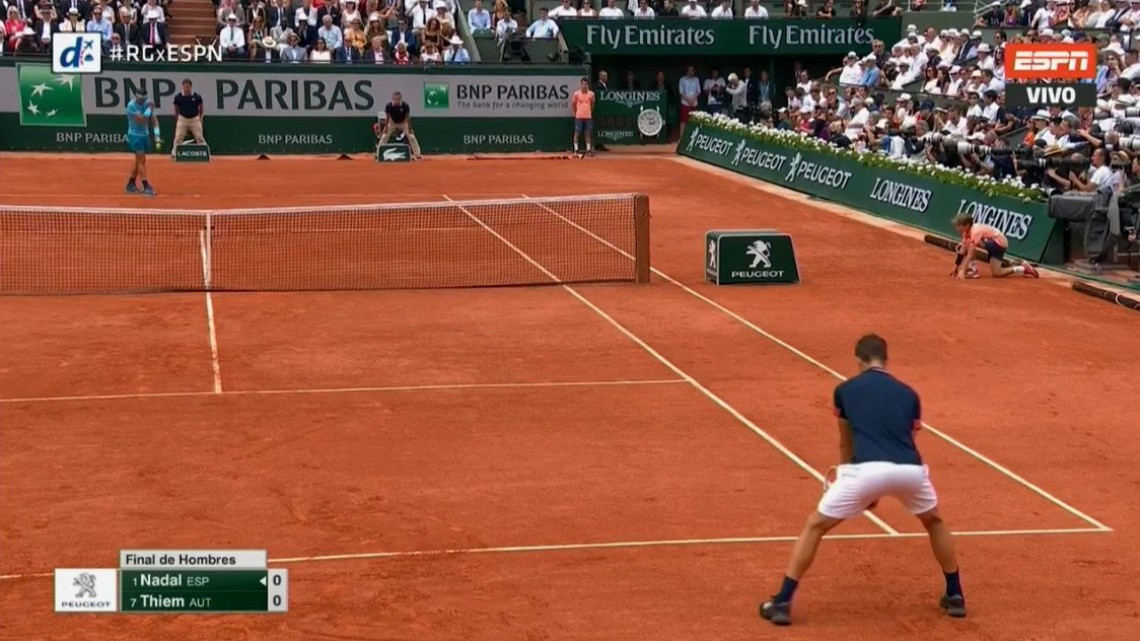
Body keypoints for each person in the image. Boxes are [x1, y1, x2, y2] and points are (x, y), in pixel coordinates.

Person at [760, 334, 967, 627]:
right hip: (909, 470)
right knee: (934, 521)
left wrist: (850, 481)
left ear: (859, 361)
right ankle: (956, 595)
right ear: (886, 359)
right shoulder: (909, 394)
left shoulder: (845, 390)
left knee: (816, 525)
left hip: (864, 470)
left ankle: (781, 602)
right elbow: (908, 439)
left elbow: (847, 444)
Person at [952, 212, 1039, 279]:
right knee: (997, 273)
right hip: (994, 243)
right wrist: (956, 266)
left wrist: (963, 270)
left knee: (970, 244)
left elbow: (970, 252)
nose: (957, 228)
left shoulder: (975, 231)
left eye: (959, 226)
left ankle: (973, 270)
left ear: (967, 225)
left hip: (998, 243)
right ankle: (1022, 267)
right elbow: (963, 249)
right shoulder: (966, 232)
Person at [125, 87, 160, 197]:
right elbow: (141, 120)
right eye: (140, 98)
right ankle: (146, 186)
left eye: (143, 99)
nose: (142, 101)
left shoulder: (147, 103)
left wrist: (157, 135)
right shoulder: (131, 106)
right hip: (134, 135)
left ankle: (130, 184)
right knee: (141, 160)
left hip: (145, 135)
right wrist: (149, 109)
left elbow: (154, 121)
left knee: (139, 160)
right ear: (136, 96)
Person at [376, 91, 422, 160]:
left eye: (398, 99)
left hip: (403, 122)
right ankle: (378, 154)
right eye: (395, 99)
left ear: (400, 99)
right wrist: (385, 128)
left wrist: (410, 128)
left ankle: (417, 154)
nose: (397, 101)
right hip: (392, 122)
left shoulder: (405, 105)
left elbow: (408, 117)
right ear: (392, 99)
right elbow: (387, 117)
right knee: (384, 136)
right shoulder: (389, 106)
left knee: (411, 136)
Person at [171, 78, 205, 156]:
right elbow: (176, 108)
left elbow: (201, 107)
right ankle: (174, 153)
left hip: (194, 119)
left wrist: (200, 118)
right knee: (178, 138)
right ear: (182, 87)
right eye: (185, 87)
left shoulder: (197, 96)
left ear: (191, 87)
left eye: (188, 87)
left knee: (199, 137)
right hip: (182, 119)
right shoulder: (178, 97)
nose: (186, 88)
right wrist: (178, 118)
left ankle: (204, 153)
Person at [570, 76, 594, 158]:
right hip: (579, 116)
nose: (584, 86)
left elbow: (593, 104)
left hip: (588, 116)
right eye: (583, 84)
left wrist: (589, 111)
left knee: (587, 133)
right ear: (581, 84)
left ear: (588, 85)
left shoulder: (591, 94)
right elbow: (573, 104)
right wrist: (575, 112)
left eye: (586, 84)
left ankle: (588, 150)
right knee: (577, 133)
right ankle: (576, 150)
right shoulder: (576, 94)